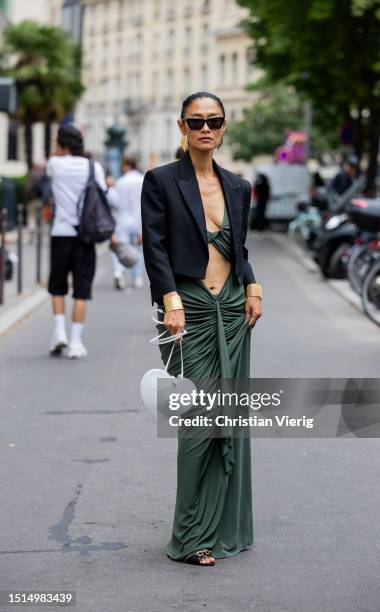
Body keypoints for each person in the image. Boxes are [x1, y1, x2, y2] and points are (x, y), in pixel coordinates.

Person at [141, 91, 262, 566]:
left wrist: (252, 288)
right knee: (197, 423)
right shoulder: (161, 181)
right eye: (196, 122)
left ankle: (224, 526)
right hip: (187, 308)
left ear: (224, 126)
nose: (205, 129)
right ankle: (189, 536)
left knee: (227, 418)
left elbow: (242, 251)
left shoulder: (238, 186)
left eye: (214, 121)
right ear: (182, 128)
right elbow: (154, 246)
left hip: (232, 311)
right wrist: (169, 300)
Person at [47, 124, 108, 358]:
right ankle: (75, 342)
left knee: (57, 287)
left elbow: (49, 173)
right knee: (82, 291)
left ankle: (59, 331)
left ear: (62, 144)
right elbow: (105, 195)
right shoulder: (93, 167)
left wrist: (58, 153)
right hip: (86, 236)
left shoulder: (55, 165)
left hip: (61, 233)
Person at [109, 157, 145, 290]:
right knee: (138, 250)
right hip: (138, 221)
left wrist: (111, 188)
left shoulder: (120, 182)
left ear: (126, 165)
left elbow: (114, 202)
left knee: (120, 249)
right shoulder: (142, 180)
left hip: (122, 221)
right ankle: (137, 277)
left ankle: (119, 272)